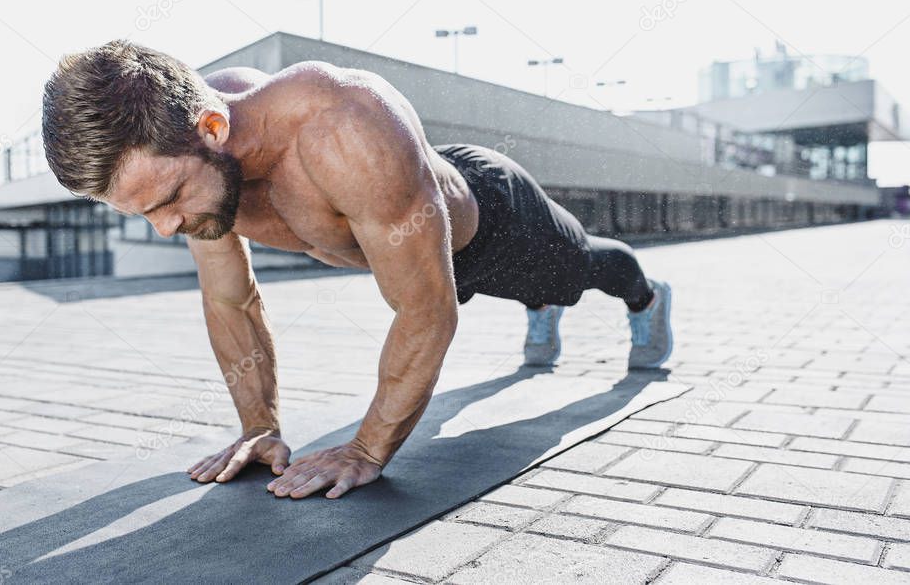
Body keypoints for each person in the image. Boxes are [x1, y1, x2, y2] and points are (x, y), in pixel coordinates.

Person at [41, 40, 672, 500]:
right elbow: (231, 300)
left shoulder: (344, 126)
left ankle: (647, 299)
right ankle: (540, 308)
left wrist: (367, 448)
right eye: (144, 212)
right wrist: (259, 426)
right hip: (410, 234)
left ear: (212, 127)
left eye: (169, 201)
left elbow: (426, 311)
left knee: (581, 269)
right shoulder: (191, 157)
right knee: (440, 286)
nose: (166, 227)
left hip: (494, 223)